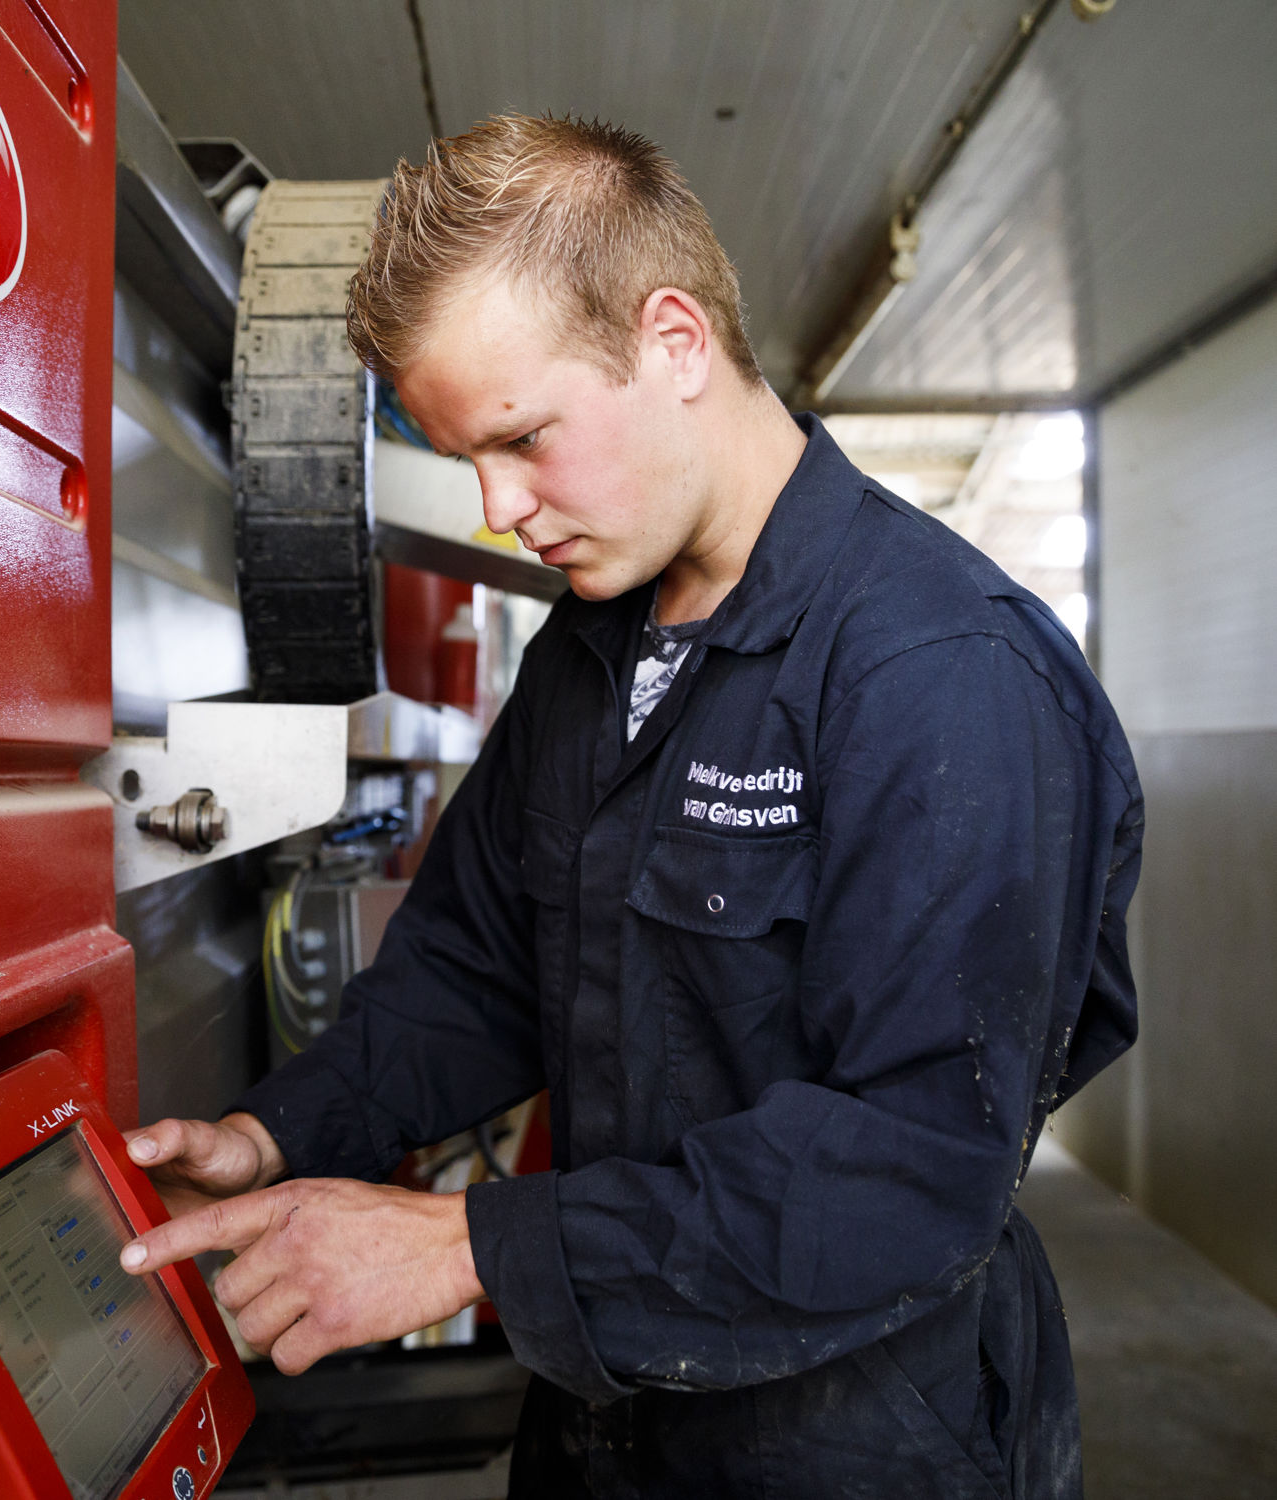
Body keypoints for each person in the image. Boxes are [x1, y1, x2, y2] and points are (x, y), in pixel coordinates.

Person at [120, 115, 1143, 1498]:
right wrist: (278, 1134)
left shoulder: (941, 672)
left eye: (523, 437)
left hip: (861, 1443)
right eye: (463, 455)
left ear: (673, 342)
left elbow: (908, 1167)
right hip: (607, 1415)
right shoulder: (589, 658)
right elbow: (475, 974)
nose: (496, 508)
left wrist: (464, 1249)